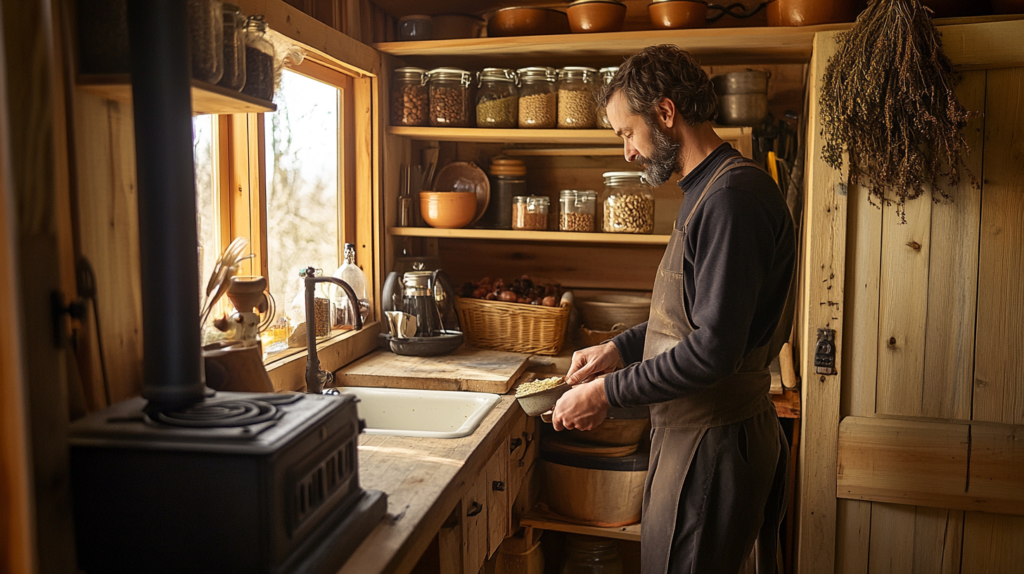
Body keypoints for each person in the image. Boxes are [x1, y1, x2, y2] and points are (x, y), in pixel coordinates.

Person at [551, 44, 795, 574]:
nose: (628, 153)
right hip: (693, 432)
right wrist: (617, 349)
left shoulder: (733, 197)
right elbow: (690, 316)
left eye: (627, 132)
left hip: (715, 441)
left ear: (665, 113)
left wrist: (605, 395)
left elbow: (712, 351)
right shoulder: (706, 189)